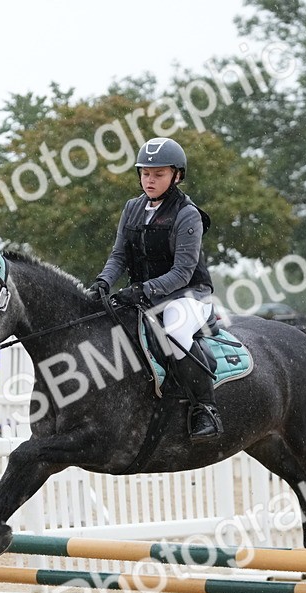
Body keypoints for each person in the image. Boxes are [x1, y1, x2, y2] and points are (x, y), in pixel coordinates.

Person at [85, 136, 221, 440]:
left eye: (159, 174)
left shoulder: (188, 214)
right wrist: (103, 282)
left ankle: (206, 408)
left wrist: (143, 290)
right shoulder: (132, 208)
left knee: (173, 331)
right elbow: (119, 255)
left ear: (177, 176)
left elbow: (183, 272)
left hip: (188, 295)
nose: (150, 180)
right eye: (145, 173)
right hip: (145, 295)